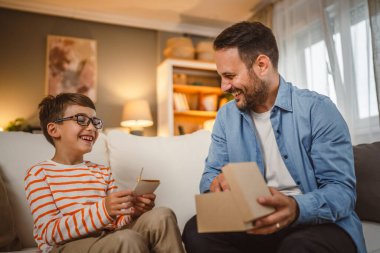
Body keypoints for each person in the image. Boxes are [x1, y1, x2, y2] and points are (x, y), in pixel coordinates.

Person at [182, 21, 366, 253]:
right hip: (257, 221)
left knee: (297, 245)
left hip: (316, 223)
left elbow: (342, 192)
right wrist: (216, 185)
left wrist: (295, 208)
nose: (223, 86)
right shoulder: (226, 117)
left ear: (262, 65)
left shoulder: (317, 110)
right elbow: (210, 175)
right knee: (195, 230)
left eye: (229, 75)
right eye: (221, 76)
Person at [25, 93, 185, 253]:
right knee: (126, 239)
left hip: (109, 239)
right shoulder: (39, 174)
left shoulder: (102, 172)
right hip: (64, 247)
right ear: (54, 129)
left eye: (95, 122)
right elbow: (49, 233)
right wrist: (104, 210)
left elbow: (118, 223)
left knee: (162, 216)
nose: (92, 128)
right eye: (81, 119)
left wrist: (134, 212)